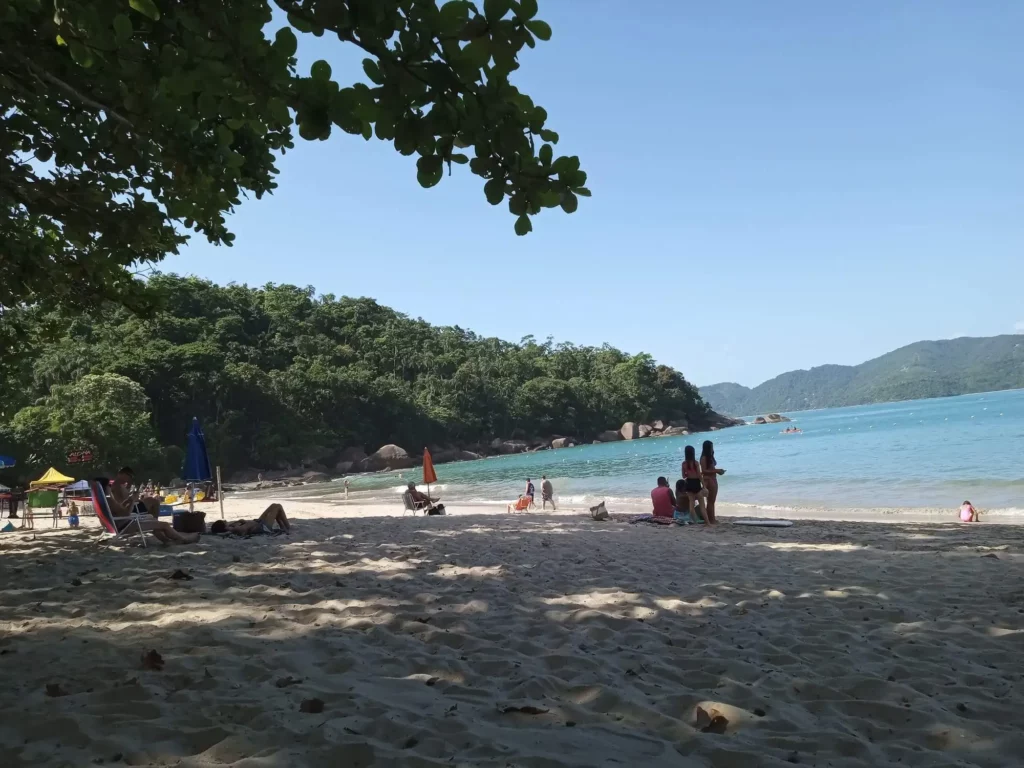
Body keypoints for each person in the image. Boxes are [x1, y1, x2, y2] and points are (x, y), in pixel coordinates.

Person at [109, 467, 199, 545]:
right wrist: (132, 499)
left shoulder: (113, 493)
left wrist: (131, 498)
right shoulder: (117, 487)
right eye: (129, 476)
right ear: (122, 474)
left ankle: (167, 540)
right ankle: (184, 540)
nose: (129, 479)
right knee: (163, 523)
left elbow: (122, 507)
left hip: (126, 521)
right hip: (128, 523)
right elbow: (126, 512)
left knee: (156, 520)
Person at [210, 503, 291, 535]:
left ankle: (283, 527)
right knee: (278, 506)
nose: (225, 521)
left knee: (273, 506)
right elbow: (244, 529)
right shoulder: (233, 529)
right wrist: (244, 522)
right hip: (263, 527)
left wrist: (242, 522)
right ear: (223, 525)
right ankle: (288, 527)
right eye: (223, 521)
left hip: (258, 523)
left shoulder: (231, 527)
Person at [682, 446, 711, 524]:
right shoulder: (696, 463)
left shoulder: (684, 464)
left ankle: (695, 522)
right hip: (696, 483)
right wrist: (704, 486)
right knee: (702, 505)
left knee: (691, 505)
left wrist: (688, 474)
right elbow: (699, 475)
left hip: (689, 483)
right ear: (693, 453)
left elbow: (683, 476)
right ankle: (708, 523)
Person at [700, 440, 726, 524]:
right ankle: (711, 519)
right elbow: (704, 470)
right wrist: (717, 471)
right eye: (711, 447)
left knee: (711, 501)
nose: (712, 448)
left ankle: (712, 518)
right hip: (709, 479)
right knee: (710, 501)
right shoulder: (704, 458)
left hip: (712, 478)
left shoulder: (709, 457)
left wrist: (717, 471)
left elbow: (710, 468)